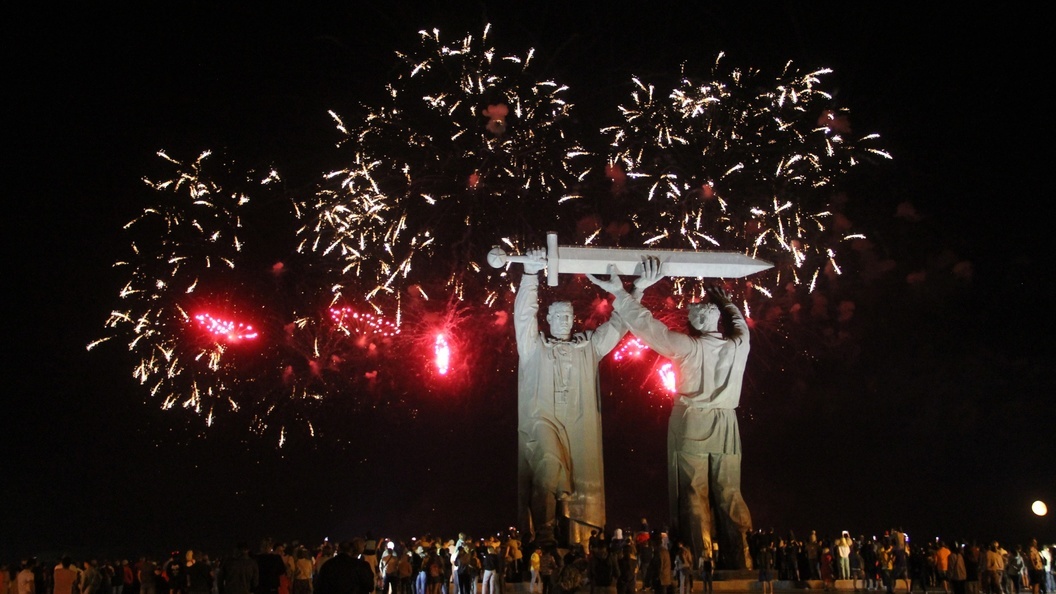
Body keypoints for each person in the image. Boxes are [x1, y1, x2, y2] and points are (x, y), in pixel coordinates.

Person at [587, 259, 752, 568]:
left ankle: (700, 557)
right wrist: (728, 303)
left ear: (695, 322)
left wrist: (620, 294)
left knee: (692, 491)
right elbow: (741, 326)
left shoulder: (685, 346)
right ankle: (741, 557)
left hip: (692, 420)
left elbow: (647, 325)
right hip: (727, 422)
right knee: (730, 491)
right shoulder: (738, 346)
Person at [515, 248, 639, 547]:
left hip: (577, 423)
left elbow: (620, 323)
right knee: (547, 464)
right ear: (548, 317)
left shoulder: (590, 347)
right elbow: (523, 316)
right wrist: (530, 275)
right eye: (556, 316)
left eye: (567, 316)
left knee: (578, 485)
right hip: (543, 419)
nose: (561, 320)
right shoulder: (533, 347)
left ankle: (574, 538)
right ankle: (543, 536)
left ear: (573, 319)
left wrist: (637, 289)